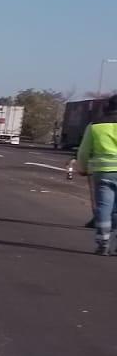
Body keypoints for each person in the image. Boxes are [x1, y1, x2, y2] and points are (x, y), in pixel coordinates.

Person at [75, 95, 117, 255]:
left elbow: (84, 151)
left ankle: (103, 242)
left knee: (104, 208)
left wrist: (82, 168)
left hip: (103, 171)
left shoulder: (95, 126)